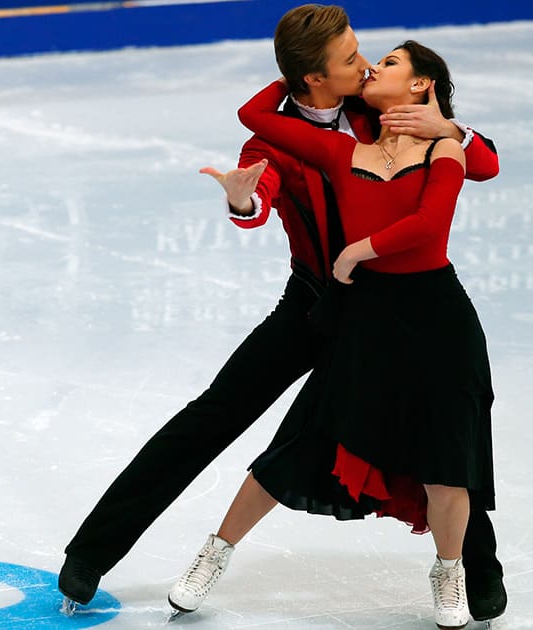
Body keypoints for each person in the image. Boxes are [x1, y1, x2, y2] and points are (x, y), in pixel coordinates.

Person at [58, 4, 504, 622]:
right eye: (350, 59)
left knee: (439, 428)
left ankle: (475, 570)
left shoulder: (384, 107)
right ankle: (92, 551)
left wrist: (451, 127)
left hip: (389, 305)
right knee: (215, 413)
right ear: (314, 79)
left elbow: (480, 164)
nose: (368, 62)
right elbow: (258, 192)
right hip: (315, 302)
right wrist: (243, 201)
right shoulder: (270, 137)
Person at [170, 39, 496, 629]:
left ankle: (449, 571)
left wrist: (357, 252)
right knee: (302, 439)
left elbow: (430, 226)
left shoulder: (446, 146)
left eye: (391, 63)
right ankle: (214, 554)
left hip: (438, 319)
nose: (373, 65)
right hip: (364, 320)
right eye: (364, 58)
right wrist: (297, 70)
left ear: (420, 86)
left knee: (448, 459)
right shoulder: (340, 151)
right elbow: (255, 117)